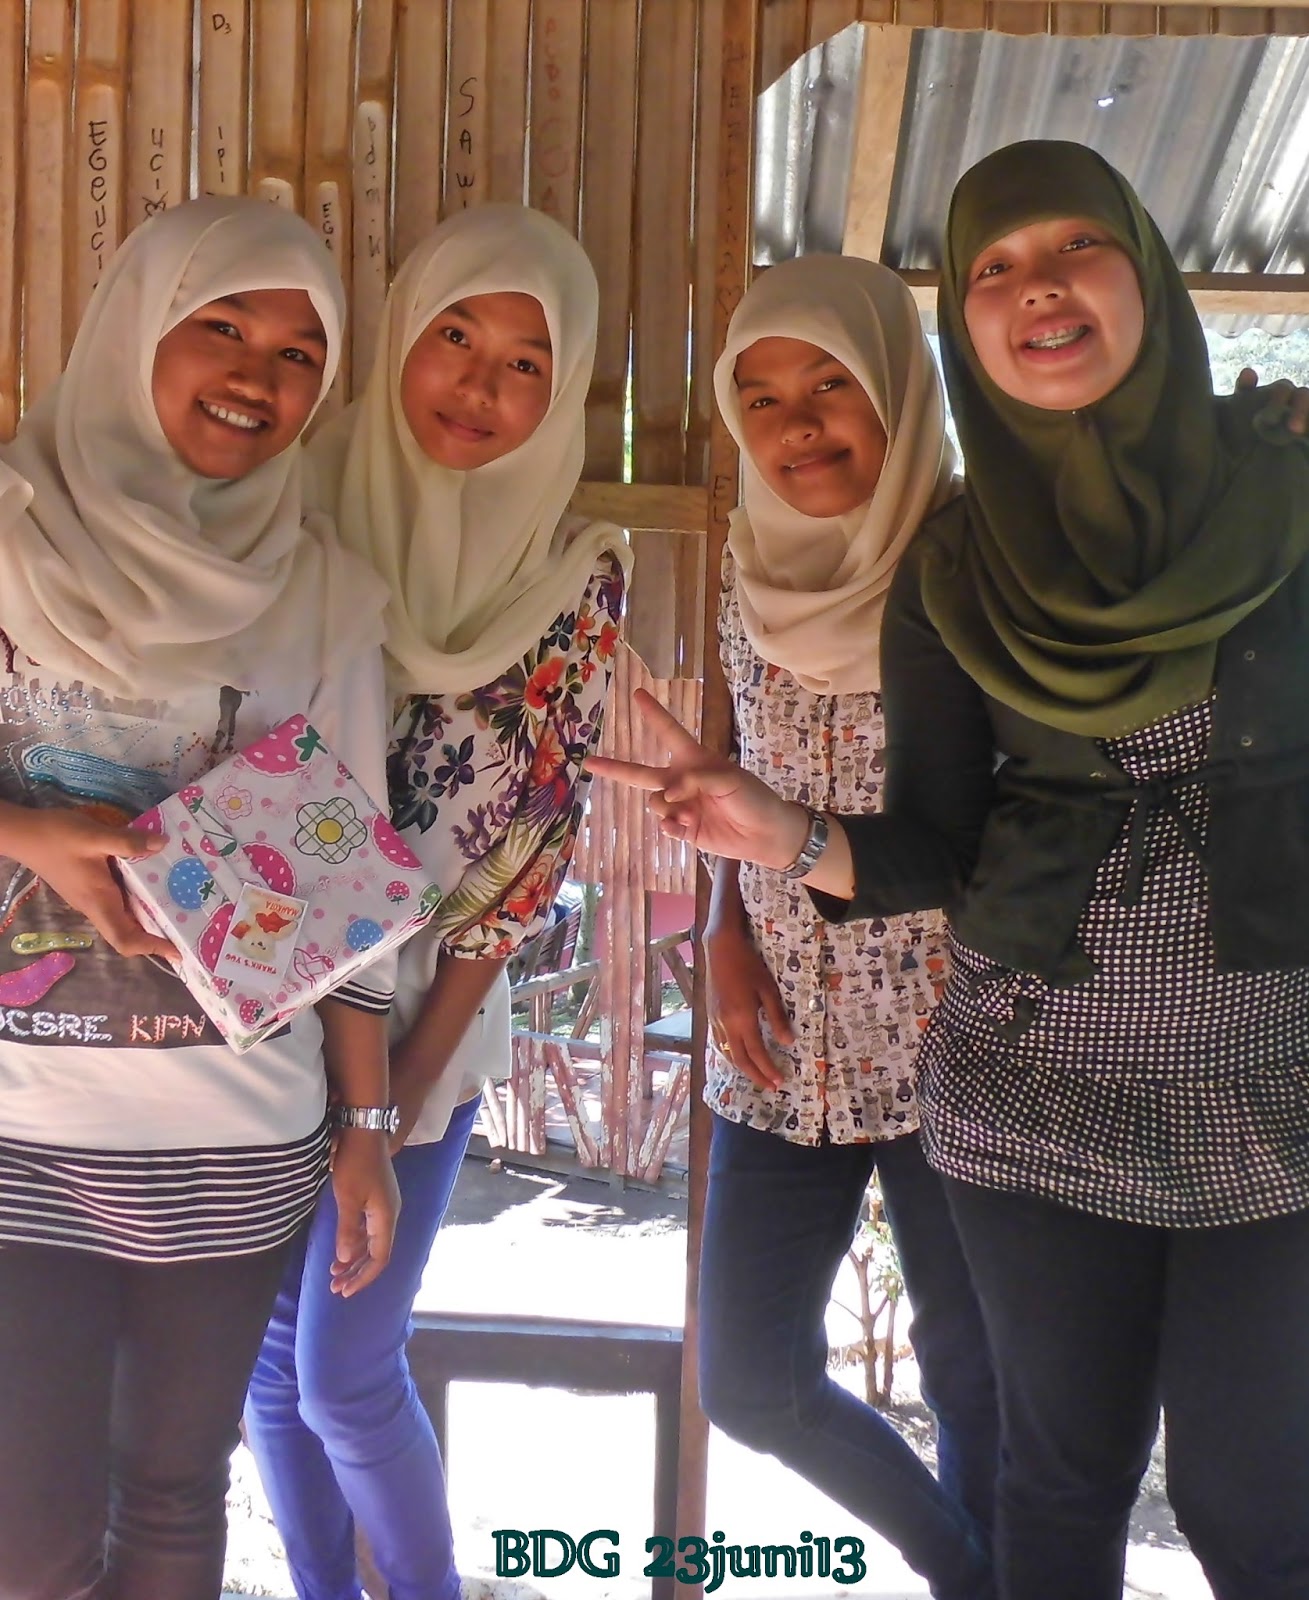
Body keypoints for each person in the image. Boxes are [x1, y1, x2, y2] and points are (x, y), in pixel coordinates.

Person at [590, 141, 1309, 1600]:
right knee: (1054, 1483)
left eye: (1074, 245)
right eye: (993, 265)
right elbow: (934, 835)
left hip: (1271, 1090)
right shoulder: (958, 568)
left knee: (1250, 1508)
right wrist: (768, 850)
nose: (1036, 287)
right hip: (1016, 1082)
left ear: (1146, 273)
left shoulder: (1283, 495)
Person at [0, 197, 399, 1600]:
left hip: (234, 1138)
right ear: (134, 330)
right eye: (220, 324)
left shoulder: (325, 596)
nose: (255, 374)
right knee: (26, 1542)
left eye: (300, 352)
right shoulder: (6, 539)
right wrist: (31, 833)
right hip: (17, 1135)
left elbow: (349, 905)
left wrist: (365, 1133)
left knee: (175, 1499)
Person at [243, 203, 632, 1600]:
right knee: (269, 1373)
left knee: (345, 1371)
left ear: (562, 392)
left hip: (431, 1021)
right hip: (259, 1005)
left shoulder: (572, 571)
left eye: (526, 363)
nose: (478, 384)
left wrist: (402, 1086)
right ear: (401, 335)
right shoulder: (292, 506)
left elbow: (534, 846)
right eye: (455, 336)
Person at [697, 255, 996, 1600]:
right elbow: (730, 779)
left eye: (830, 383)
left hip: (963, 1040)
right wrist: (721, 930)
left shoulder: (981, 566)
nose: (796, 424)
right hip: (779, 1038)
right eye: (760, 396)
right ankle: (965, 1570)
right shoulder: (744, 565)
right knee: (748, 1380)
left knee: (978, 1378)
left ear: (898, 393)